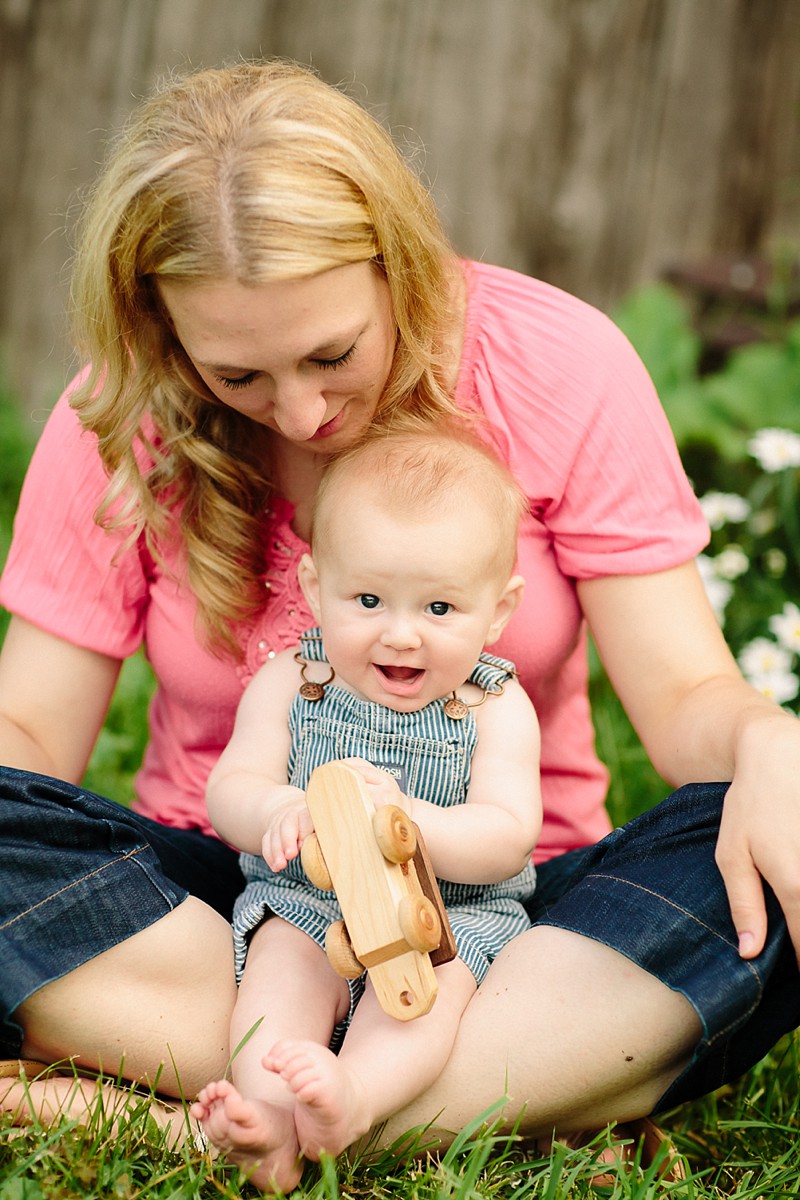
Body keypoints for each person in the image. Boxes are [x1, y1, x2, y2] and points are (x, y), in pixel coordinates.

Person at [1, 57, 800, 1164]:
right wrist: (270, 817)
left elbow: (679, 697)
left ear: (396, 262)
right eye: (237, 375)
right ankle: (493, 1088)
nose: (302, 412)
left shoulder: (559, 365)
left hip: (511, 923)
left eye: (332, 353)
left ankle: (230, 1113)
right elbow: (27, 741)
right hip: (225, 907)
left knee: (773, 843)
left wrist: (767, 744)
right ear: (163, 334)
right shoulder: (122, 414)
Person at [191, 427, 542, 1190]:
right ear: (316, 589)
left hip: (446, 916)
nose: (401, 633)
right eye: (370, 599)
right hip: (310, 902)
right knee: (279, 978)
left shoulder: (493, 706)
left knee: (427, 998)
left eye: (441, 606)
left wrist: (412, 823)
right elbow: (230, 789)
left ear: (498, 611)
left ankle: (353, 1100)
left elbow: (508, 836)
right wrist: (278, 808)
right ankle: (268, 1123)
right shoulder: (295, 679)